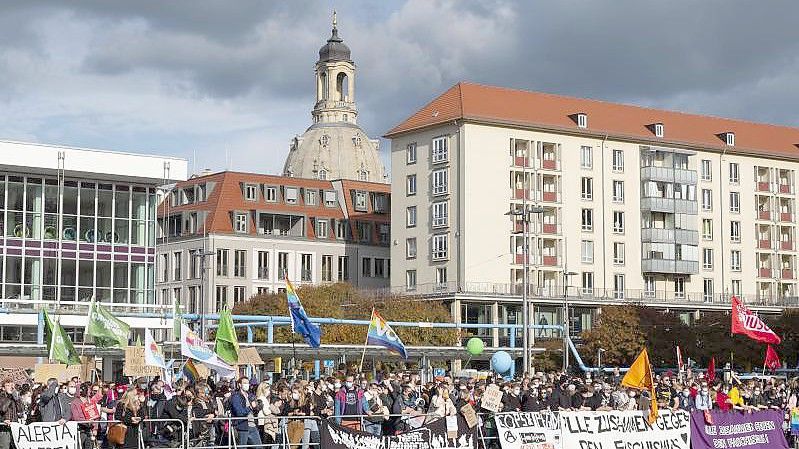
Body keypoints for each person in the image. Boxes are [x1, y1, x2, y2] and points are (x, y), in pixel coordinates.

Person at [230, 377, 260, 449]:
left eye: (248, 383)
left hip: (252, 425)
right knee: (242, 447)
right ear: (240, 385)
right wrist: (250, 407)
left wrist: (257, 407)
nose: (247, 385)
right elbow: (239, 412)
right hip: (242, 426)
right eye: (245, 383)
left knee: (259, 446)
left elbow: (255, 409)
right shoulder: (236, 396)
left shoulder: (250, 395)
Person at [0, 380, 23, 449]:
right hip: (4, 428)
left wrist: (17, 399)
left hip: (14, 427)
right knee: (5, 446)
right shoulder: (1, 397)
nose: (11, 387)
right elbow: (3, 409)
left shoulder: (14, 397)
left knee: (15, 446)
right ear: (3, 388)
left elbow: (20, 410)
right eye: (8, 385)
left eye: (12, 385)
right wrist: (3, 420)